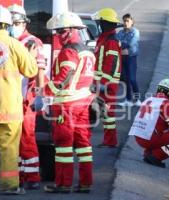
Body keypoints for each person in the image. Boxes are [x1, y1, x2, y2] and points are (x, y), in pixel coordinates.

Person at [43, 12, 95, 193]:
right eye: (57, 32)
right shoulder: (86, 50)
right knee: (83, 144)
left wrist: (47, 90)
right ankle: (85, 182)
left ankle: (63, 184)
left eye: (61, 31)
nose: (58, 35)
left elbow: (65, 75)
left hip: (67, 105)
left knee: (63, 145)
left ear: (72, 30)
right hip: (83, 103)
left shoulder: (69, 51)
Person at [0, 6, 38, 194]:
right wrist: (31, 56)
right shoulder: (15, 45)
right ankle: (9, 186)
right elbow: (31, 71)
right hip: (9, 108)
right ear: (7, 25)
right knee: (9, 149)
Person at [8, 4, 47, 190]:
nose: (12, 26)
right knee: (13, 138)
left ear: (24, 23)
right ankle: (20, 175)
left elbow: (40, 71)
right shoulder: (8, 41)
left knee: (27, 136)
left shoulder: (32, 42)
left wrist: (40, 95)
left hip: (28, 96)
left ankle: (33, 177)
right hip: (12, 96)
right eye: (10, 23)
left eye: (16, 23)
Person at [129, 79, 169, 168]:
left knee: (158, 129)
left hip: (138, 136)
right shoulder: (166, 103)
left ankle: (148, 153)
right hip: (149, 139)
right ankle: (156, 156)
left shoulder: (148, 99)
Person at [93, 8, 122, 148]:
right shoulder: (104, 39)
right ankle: (109, 141)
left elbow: (111, 63)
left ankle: (111, 141)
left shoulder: (111, 41)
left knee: (108, 114)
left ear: (105, 23)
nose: (99, 25)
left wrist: (103, 82)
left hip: (107, 85)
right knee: (104, 113)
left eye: (100, 22)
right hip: (101, 83)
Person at [117, 13, 141, 106]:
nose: (126, 23)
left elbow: (131, 43)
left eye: (127, 21)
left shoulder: (135, 32)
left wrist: (122, 45)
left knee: (132, 79)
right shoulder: (120, 32)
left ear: (132, 22)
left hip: (131, 57)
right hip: (122, 57)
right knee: (126, 79)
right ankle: (128, 100)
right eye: (124, 21)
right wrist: (123, 47)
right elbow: (116, 41)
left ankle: (137, 99)